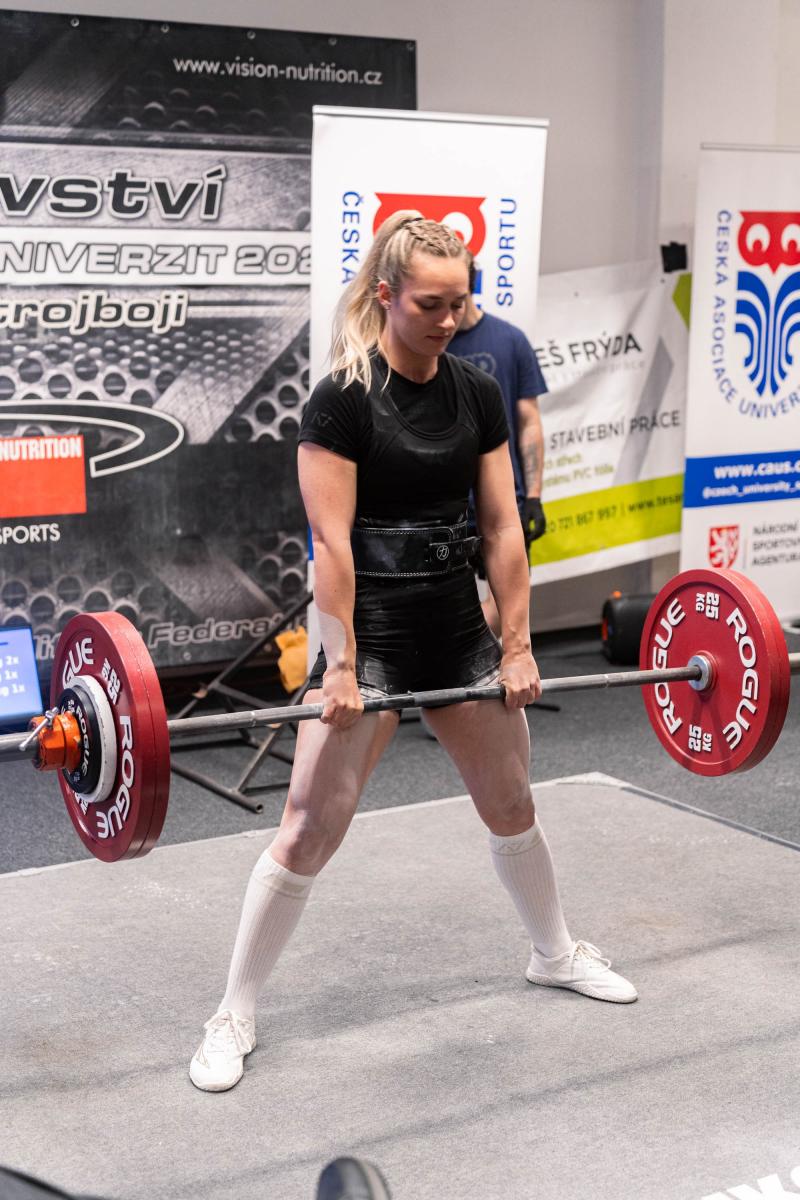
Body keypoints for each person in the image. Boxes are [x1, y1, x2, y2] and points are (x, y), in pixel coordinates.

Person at [189, 213, 637, 1094]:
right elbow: (332, 546)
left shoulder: (476, 391)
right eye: (431, 304)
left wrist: (516, 647)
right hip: (372, 631)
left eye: (459, 303)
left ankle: (552, 953)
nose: (448, 319)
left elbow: (501, 528)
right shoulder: (343, 400)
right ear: (386, 295)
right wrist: (342, 667)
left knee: (511, 801)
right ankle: (232, 1011)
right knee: (310, 827)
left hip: (454, 622)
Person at [448, 253, 547, 635]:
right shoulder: (426, 347)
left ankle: (472, 661)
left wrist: (534, 497)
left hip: (504, 498)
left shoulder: (510, 340)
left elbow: (529, 421)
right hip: (447, 507)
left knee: (509, 608)